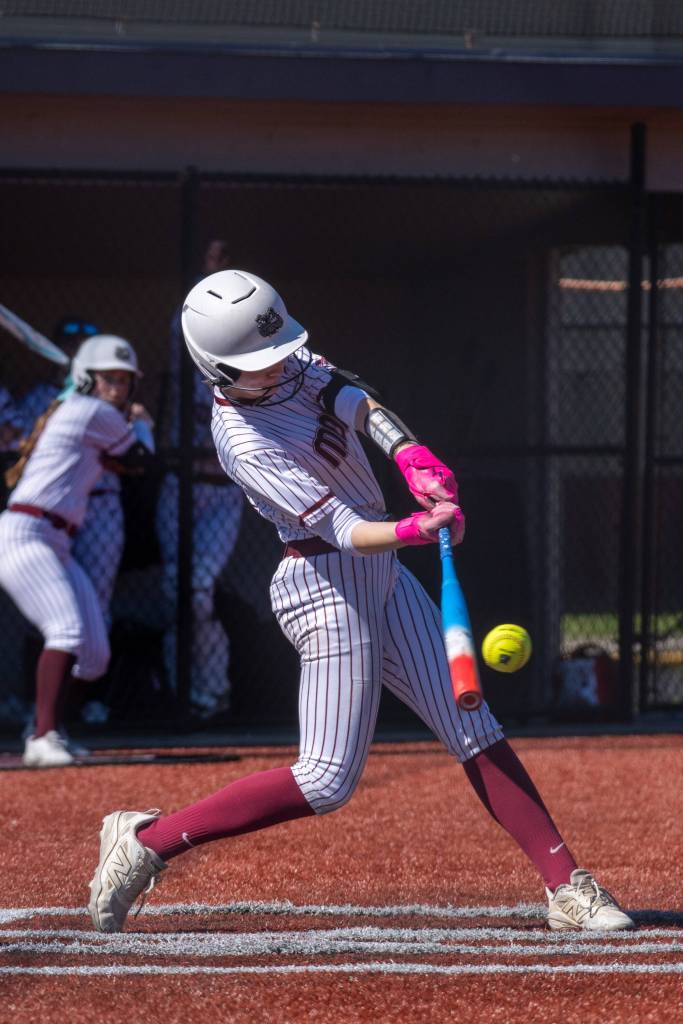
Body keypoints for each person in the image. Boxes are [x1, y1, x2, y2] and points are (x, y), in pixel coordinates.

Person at [88, 269, 634, 934]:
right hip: (323, 587)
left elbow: (353, 401)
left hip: (380, 576)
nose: (282, 364)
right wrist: (414, 527)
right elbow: (344, 530)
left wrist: (410, 455)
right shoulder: (240, 440)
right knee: (325, 781)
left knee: (471, 726)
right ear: (218, 371)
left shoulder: (287, 361)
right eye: (261, 363)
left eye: (281, 348)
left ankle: (566, 887)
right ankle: (146, 842)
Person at [0, 335, 154, 767]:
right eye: (109, 379)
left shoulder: (87, 413)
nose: (118, 389)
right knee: (67, 630)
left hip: (55, 540)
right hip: (26, 533)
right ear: (87, 380)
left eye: (124, 382)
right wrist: (142, 423)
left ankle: (53, 728)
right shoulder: (90, 411)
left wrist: (131, 424)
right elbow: (143, 461)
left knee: (95, 652)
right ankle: (41, 735)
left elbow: (127, 463)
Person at [156, 239, 242, 719]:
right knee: (177, 592)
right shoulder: (187, 352)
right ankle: (182, 691)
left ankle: (209, 690)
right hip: (180, 487)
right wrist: (205, 276)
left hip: (222, 495)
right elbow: (180, 328)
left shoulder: (245, 366)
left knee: (199, 591)